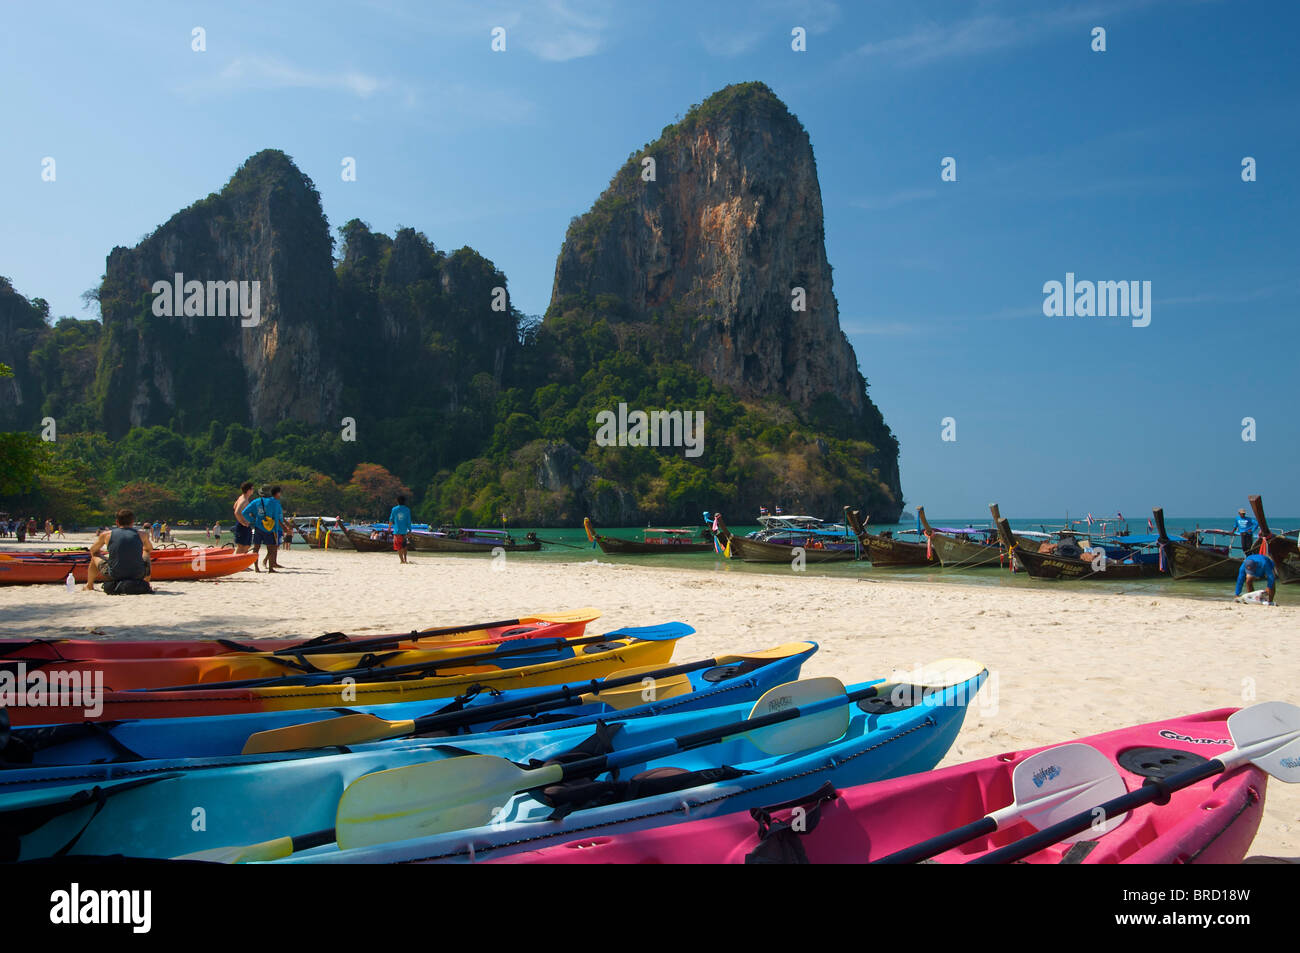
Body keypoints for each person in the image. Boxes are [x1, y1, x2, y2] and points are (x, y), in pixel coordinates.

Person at [85, 508, 153, 592]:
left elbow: (93, 550)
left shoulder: (106, 535)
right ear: (132, 522)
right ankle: (146, 583)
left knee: (94, 555)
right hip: (137, 574)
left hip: (114, 574)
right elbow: (149, 548)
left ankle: (89, 585)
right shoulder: (143, 534)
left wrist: (103, 555)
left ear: (117, 522)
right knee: (146, 552)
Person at [242, 485, 285, 572]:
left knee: (256, 549)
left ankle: (256, 568)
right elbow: (276, 517)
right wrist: (277, 530)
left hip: (258, 527)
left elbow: (244, 512)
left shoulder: (256, 501)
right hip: (270, 528)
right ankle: (270, 568)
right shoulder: (274, 502)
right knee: (271, 549)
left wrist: (252, 520)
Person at [233, 481, 255, 557]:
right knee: (241, 546)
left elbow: (234, 506)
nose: (253, 490)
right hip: (242, 525)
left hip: (244, 525)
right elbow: (237, 512)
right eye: (252, 489)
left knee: (247, 545)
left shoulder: (242, 497)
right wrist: (242, 522)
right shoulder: (244, 500)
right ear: (248, 490)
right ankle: (237, 563)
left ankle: (242, 563)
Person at [390, 495, 412, 565]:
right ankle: (405, 560)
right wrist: (410, 530)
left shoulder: (394, 509)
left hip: (397, 531)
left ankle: (402, 560)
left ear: (397, 501)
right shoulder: (407, 510)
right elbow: (409, 521)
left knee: (399, 546)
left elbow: (391, 519)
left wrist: (389, 527)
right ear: (404, 501)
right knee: (404, 546)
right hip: (404, 531)